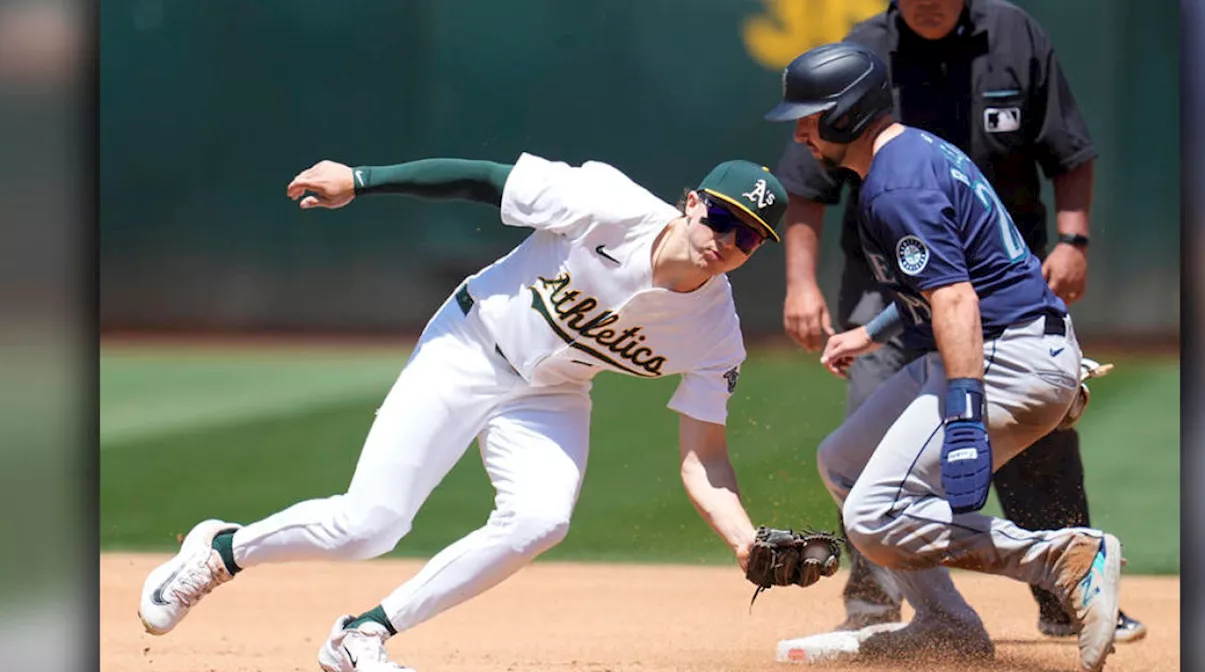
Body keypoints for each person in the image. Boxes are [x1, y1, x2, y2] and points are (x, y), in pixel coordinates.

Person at [136, 152, 795, 671]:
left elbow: (703, 457)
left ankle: (362, 636)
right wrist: (361, 180)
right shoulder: (607, 206)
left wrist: (744, 541)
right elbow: (483, 179)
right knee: (369, 527)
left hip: (554, 393)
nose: (727, 239)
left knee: (541, 519)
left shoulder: (714, 333)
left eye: (749, 236)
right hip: (471, 345)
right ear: (690, 204)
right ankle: (222, 549)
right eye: (720, 216)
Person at [773, 0, 1146, 642]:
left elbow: (955, 301)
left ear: (845, 113)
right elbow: (948, 280)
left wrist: (966, 409)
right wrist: (872, 331)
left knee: (873, 515)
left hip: (1006, 357)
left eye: (809, 120)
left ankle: (1063, 557)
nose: (801, 135)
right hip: (1006, 343)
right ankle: (946, 622)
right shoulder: (908, 155)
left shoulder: (895, 188)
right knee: (843, 464)